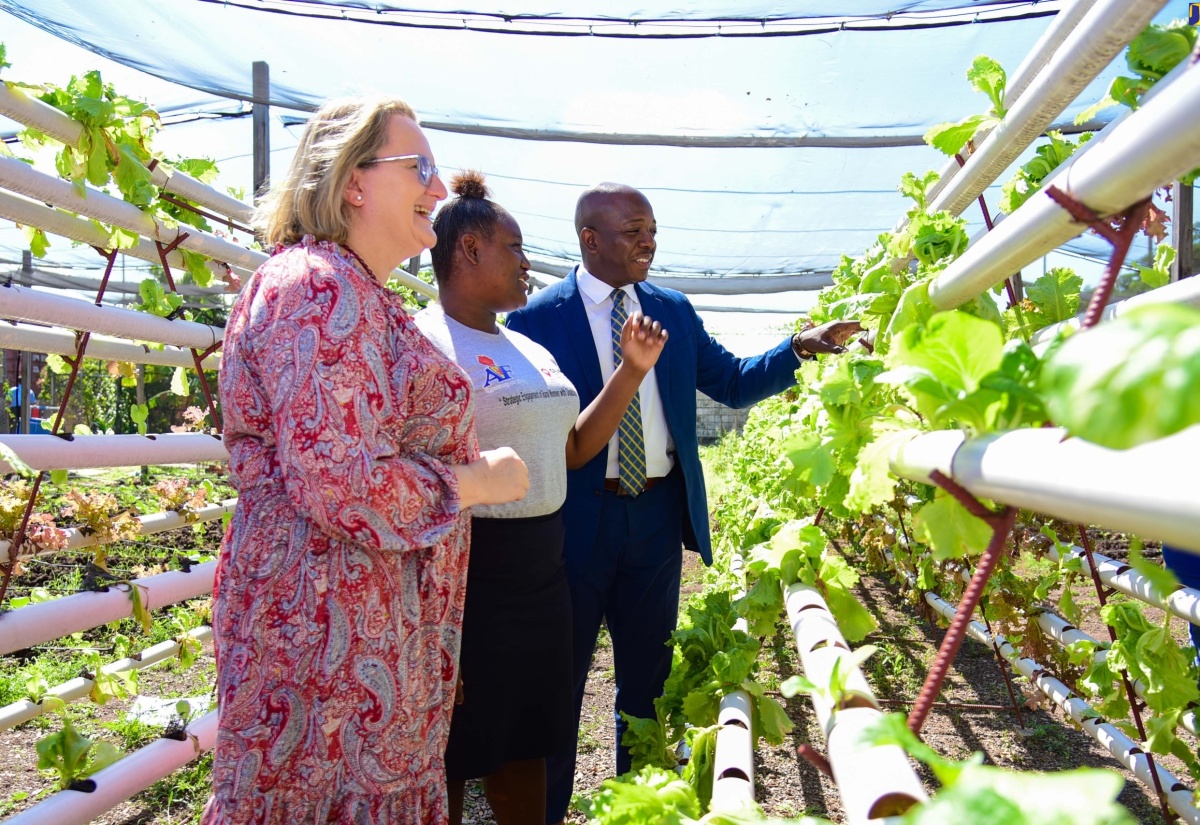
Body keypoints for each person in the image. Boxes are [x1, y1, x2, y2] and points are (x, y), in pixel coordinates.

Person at [204, 98, 528, 824]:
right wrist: (478, 480)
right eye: (420, 168)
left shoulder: (353, 289)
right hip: (326, 666)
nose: (439, 190)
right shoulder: (316, 289)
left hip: (358, 657)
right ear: (353, 181)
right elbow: (342, 483)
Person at [505, 182, 862, 823]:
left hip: (655, 517)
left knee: (647, 684)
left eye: (652, 230)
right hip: (576, 521)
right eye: (635, 230)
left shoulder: (673, 309)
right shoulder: (535, 323)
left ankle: (638, 810)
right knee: (558, 686)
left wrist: (802, 347)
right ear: (591, 239)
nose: (650, 241)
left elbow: (731, 382)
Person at [413, 171, 668, 825]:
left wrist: (631, 372)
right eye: (514, 247)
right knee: (453, 754)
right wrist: (439, 623)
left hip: (543, 577)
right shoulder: (426, 345)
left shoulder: (525, 346)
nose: (528, 262)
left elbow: (573, 450)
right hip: (473, 578)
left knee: (529, 745)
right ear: (469, 250)